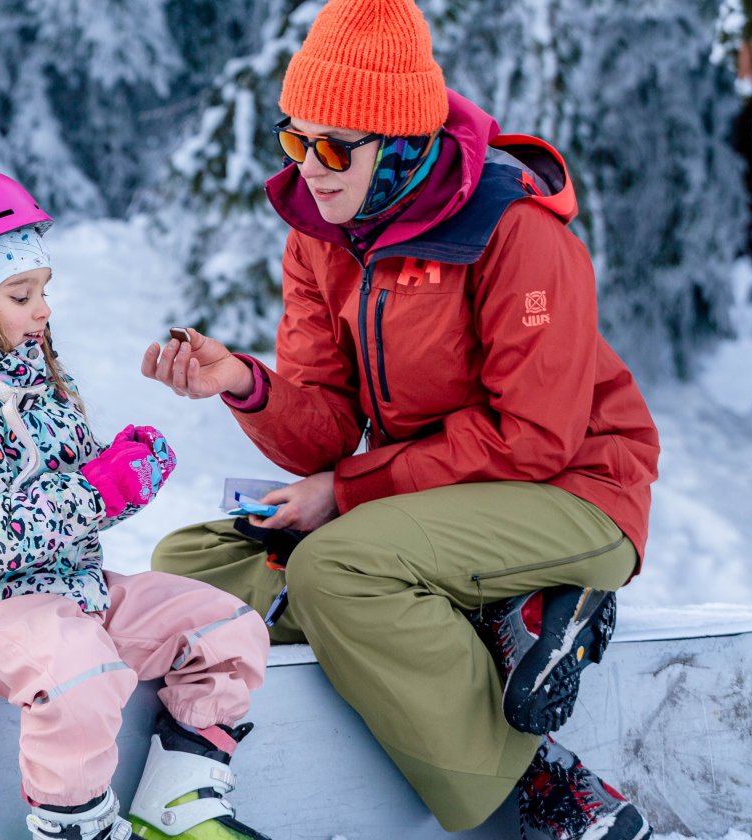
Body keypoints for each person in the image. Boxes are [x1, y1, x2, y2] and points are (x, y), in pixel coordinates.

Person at [139, 1, 661, 838]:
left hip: (576, 492)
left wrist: (345, 495)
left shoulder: (514, 229)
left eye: (334, 146)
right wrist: (244, 383)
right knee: (195, 567)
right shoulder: (323, 236)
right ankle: (508, 618)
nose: (308, 166)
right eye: (293, 138)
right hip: (433, 503)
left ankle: (546, 793)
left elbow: (537, 438)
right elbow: (325, 431)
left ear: (404, 140)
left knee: (335, 569)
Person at [0, 169, 274, 840]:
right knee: (84, 672)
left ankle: (182, 798)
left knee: (226, 627)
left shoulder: (28, 369)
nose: (43, 309)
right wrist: (94, 489)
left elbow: (70, 497)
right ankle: (76, 826)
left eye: (43, 290)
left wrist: (119, 471)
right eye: (20, 294)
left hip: (67, 587)